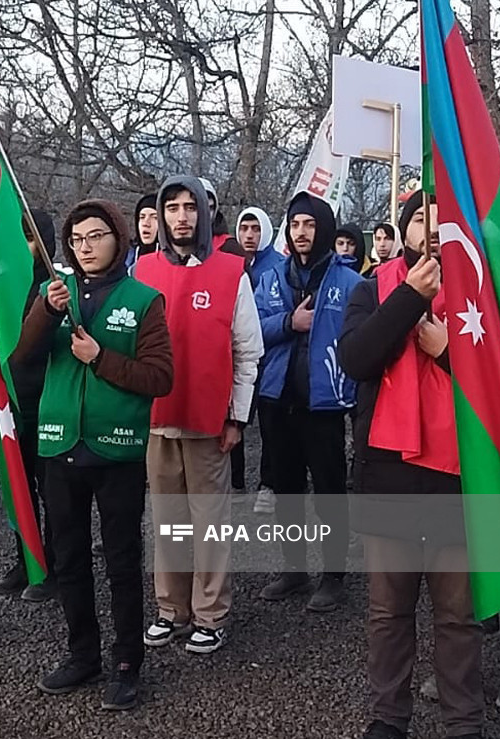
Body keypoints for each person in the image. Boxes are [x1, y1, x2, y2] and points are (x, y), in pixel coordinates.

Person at [338, 191, 500, 739]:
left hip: (461, 482)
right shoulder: (374, 285)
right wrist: (411, 296)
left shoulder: (488, 300)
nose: (431, 229)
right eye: (420, 218)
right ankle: (388, 720)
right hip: (390, 477)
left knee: (458, 616)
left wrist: (446, 357)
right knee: (388, 612)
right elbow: (357, 359)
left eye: (444, 221)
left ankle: (464, 729)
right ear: (406, 228)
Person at [16, 199, 173, 711]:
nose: (86, 247)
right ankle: (82, 653)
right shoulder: (52, 294)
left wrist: (101, 358)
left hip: (118, 450)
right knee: (70, 557)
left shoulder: (144, 299)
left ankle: (127, 662)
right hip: (59, 443)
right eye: (77, 238)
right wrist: (46, 312)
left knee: (123, 560)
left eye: (96, 236)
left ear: (118, 239)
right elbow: (21, 361)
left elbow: (159, 378)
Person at [135, 176, 264, 655]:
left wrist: (238, 417)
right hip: (157, 420)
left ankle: (211, 613)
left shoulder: (233, 272)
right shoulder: (143, 270)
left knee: (209, 523)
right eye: (173, 208)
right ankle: (171, 608)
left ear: (205, 214)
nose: (182, 216)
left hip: (211, 423)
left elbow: (248, 351)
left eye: (191, 207)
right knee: (167, 521)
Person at [253, 192, 361, 612]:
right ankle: (294, 568)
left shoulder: (350, 282)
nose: (301, 233)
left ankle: (333, 575)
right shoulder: (271, 277)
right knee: (287, 490)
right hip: (278, 398)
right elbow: (251, 329)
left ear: (325, 229)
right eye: (295, 224)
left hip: (326, 402)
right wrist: (288, 322)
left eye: (309, 224)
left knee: (330, 491)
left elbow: (361, 341)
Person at [0, 209, 60, 602]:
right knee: (19, 486)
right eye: (18, 239)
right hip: (10, 402)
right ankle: (26, 561)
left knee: (52, 489)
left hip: (47, 403)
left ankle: (57, 566)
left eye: (30, 240)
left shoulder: (55, 287)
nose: (23, 248)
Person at [234, 206, 283, 502]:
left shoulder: (277, 266)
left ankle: (268, 482)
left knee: (269, 424)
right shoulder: (232, 264)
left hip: (270, 357)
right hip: (237, 354)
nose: (249, 235)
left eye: (255, 229)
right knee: (235, 416)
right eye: (244, 228)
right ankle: (235, 481)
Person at [125, 193, 159, 274]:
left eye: (154, 217)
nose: (146, 223)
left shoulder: (174, 259)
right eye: (142, 217)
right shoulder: (127, 258)